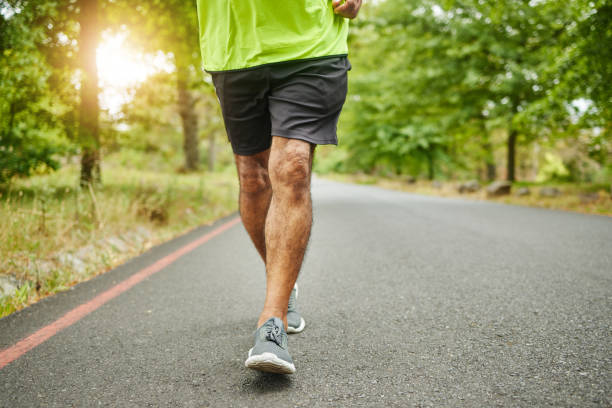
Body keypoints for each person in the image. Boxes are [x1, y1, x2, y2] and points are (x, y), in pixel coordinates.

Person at [196, 0, 362, 374]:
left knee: (292, 166)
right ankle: (284, 289)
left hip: (312, 45)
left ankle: (272, 325)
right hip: (234, 49)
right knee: (254, 180)